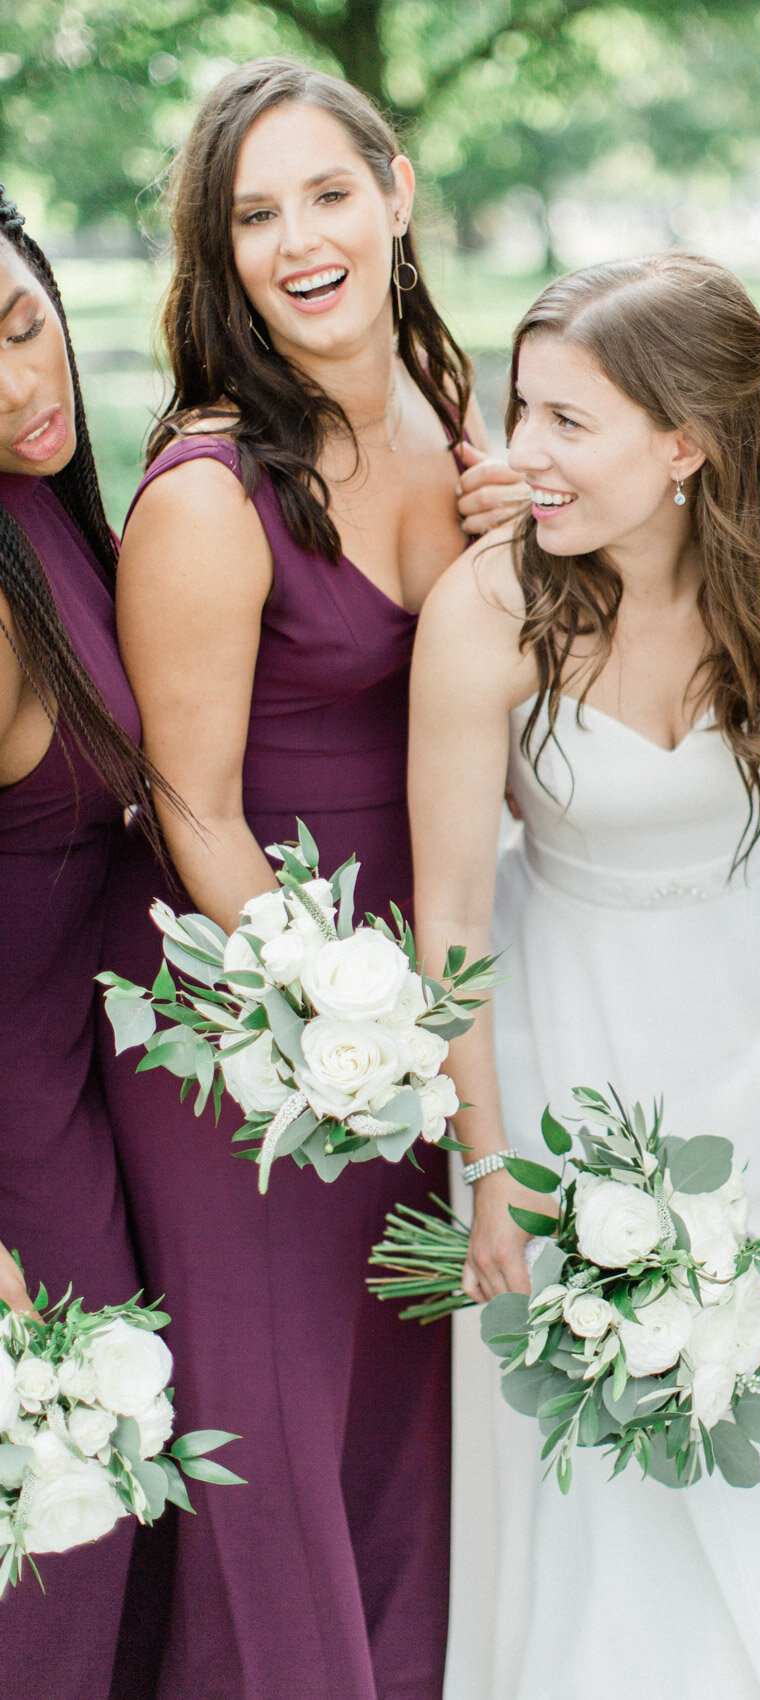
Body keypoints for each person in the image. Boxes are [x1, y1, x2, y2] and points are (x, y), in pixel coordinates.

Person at [409, 253, 760, 1700]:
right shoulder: (487, 611)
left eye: (565, 422)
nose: (518, 453)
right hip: (565, 1036)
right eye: (519, 407)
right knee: (591, 1435)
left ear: (684, 446)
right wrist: (489, 1166)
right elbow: (453, 916)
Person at [96, 59, 487, 1700]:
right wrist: (354, 1020)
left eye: (328, 193)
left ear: (395, 189)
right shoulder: (207, 495)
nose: (300, 238)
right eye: (256, 215)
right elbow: (190, 809)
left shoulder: (457, 422)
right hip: (254, 1052)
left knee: (400, 1462)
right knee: (272, 1474)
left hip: (421, 1019)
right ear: (221, 254)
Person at [0, 188, 161, 1697]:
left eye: (18, 322)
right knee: (67, 1518)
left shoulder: (46, 514)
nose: (13, 381)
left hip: (75, 1093)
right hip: (15, 1144)